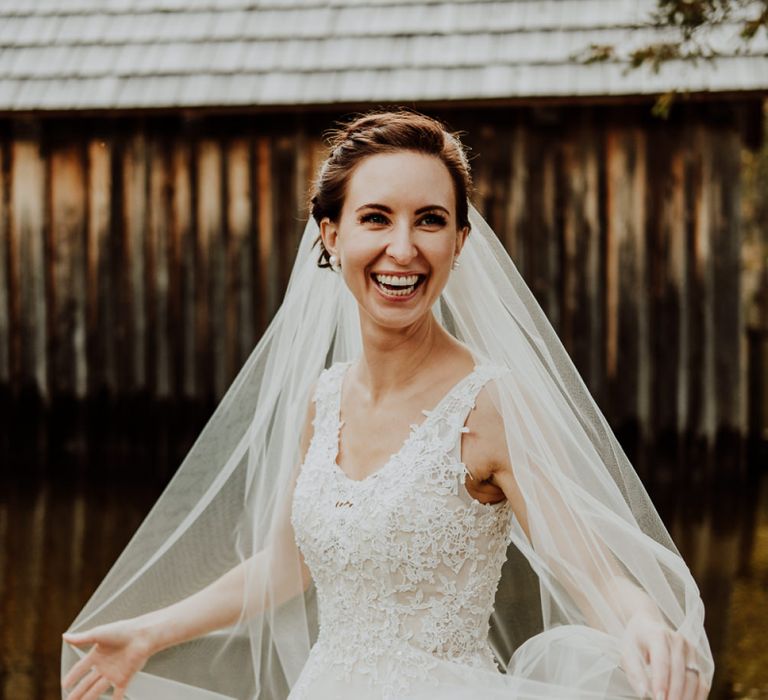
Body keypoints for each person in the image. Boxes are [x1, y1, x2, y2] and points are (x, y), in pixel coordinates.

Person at [61, 110, 713, 700]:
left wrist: (642, 623)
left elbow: (589, 566)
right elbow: (289, 565)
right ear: (331, 235)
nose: (403, 249)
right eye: (376, 218)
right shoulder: (324, 397)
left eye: (430, 220)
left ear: (459, 242)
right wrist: (149, 633)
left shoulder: (487, 405)